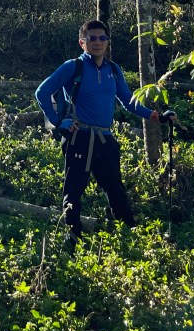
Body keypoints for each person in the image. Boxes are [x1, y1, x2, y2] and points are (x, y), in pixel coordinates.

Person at [35, 19, 159, 240]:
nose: (98, 42)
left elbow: (128, 101)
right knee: (74, 189)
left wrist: (154, 115)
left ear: (107, 42)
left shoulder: (114, 70)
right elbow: (42, 92)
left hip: (105, 138)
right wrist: (58, 121)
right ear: (82, 42)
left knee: (115, 187)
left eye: (102, 38)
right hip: (79, 136)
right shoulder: (73, 67)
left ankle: (128, 234)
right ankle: (72, 238)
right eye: (92, 38)